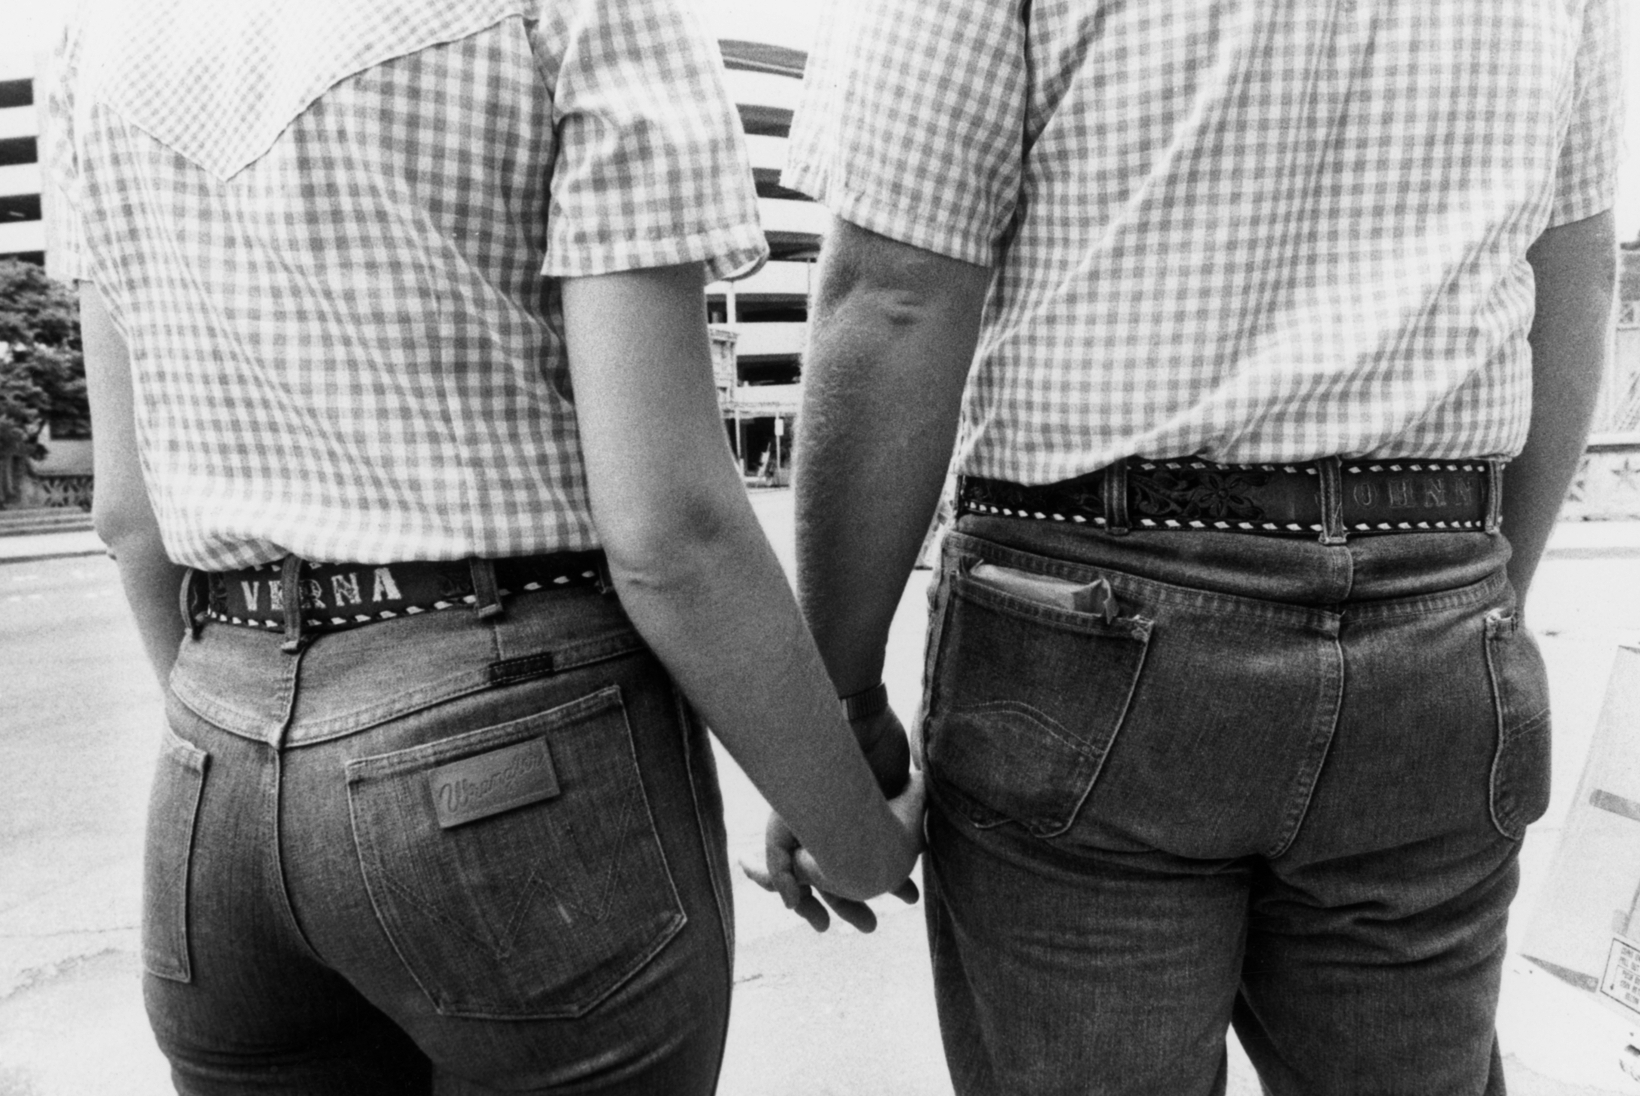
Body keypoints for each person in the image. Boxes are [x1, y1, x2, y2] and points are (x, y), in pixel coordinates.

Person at [44, 1, 923, 1092]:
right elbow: (669, 533)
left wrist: (241, 748)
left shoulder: (91, 42)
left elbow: (129, 517)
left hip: (210, 771)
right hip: (509, 750)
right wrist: (854, 831)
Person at [753, 0, 1623, 1092]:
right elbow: (1575, 274)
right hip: (1434, 619)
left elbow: (895, 296)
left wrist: (835, 709)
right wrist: (1478, 605)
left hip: (1089, 624)